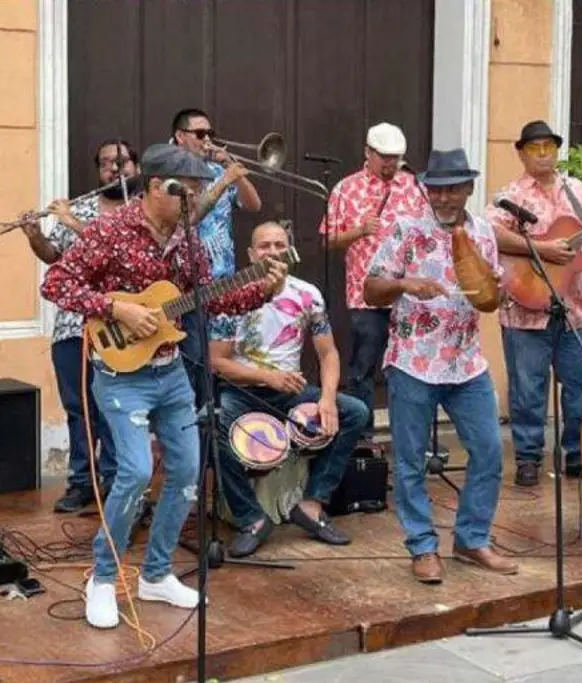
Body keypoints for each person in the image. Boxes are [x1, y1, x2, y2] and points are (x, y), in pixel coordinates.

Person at [40, 144, 286, 628]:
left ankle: (156, 573)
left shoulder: (188, 241)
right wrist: (116, 309)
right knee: (132, 472)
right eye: (186, 193)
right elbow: (56, 283)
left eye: (197, 193)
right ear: (156, 187)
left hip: (171, 372)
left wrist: (263, 288)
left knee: (188, 474)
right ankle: (104, 579)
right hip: (120, 374)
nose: (195, 202)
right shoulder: (111, 232)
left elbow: (206, 302)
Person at [364, 148, 518, 584]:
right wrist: (404, 283)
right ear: (427, 190)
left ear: (469, 189)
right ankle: (423, 546)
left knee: (488, 450)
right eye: (438, 190)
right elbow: (371, 288)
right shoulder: (407, 230)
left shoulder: (485, 233)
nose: (446, 198)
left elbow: (490, 294)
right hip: (414, 362)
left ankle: (471, 539)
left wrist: (497, 293)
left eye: (454, 189)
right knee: (411, 461)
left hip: (466, 364)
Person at [486, 120, 582, 487]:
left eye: (548, 147)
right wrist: (541, 249)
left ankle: (576, 454)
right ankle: (528, 457)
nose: (543, 154)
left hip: (575, 309)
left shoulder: (578, 191)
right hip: (524, 310)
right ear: (522, 153)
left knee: (581, 386)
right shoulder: (511, 195)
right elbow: (491, 232)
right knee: (528, 391)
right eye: (535, 148)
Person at [209, 222, 367, 557]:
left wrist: (326, 398)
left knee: (355, 413)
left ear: (290, 250)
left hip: (291, 391)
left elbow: (329, 353)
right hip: (243, 391)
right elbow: (217, 363)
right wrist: (267, 377)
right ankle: (251, 517)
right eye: (264, 246)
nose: (272, 252)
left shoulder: (307, 294)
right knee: (213, 424)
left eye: (279, 245)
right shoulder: (230, 296)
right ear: (251, 254)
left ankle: (311, 505)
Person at [23, 139, 140, 513]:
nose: (114, 170)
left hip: (123, 327)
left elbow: (116, 253)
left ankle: (117, 479)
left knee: (115, 406)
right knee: (79, 408)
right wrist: (36, 236)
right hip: (73, 326)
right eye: (106, 163)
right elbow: (54, 257)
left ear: (136, 168)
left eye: (122, 163)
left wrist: (71, 221)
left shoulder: (141, 212)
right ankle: (81, 481)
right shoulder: (84, 205)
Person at [319, 122, 428, 441]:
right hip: (365, 296)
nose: (390, 164)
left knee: (409, 368)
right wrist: (359, 231)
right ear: (368, 152)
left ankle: (408, 435)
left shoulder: (414, 186)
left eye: (395, 158)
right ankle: (363, 438)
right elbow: (327, 240)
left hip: (408, 294)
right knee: (363, 369)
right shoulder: (346, 189)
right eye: (384, 157)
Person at [171, 108, 262, 405]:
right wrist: (224, 181)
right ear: (180, 136)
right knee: (193, 366)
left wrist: (233, 170)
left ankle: (218, 437)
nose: (207, 139)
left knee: (219, 365)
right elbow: (188, 220)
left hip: (223, 285)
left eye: (210, 134)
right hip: (188, 288)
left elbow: (254, 204)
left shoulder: (219, 170)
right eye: (200, 134)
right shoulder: (171, 173)